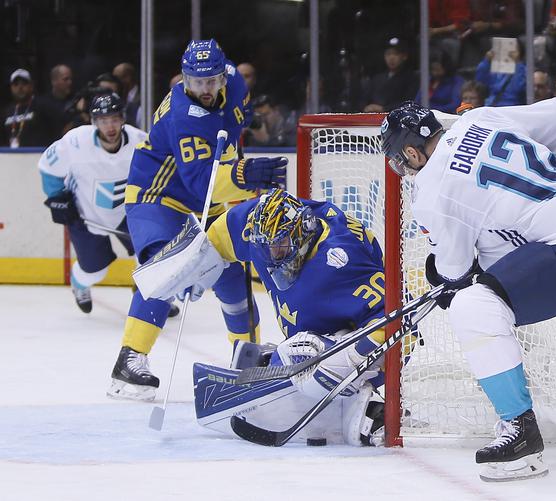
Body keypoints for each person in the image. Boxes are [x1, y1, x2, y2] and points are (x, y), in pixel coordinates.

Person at [381, 99, 556, 481]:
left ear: (412, 151)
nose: (403, 169)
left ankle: (519, 432)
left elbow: (456, 271)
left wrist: (442, 279)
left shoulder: (431, 192)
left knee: (473, 305)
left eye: (400, 161)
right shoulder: (481, 118)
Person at [132, 188, 389, 446]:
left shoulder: (342, 260)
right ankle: (289, 368)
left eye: (279, 246)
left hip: (357, 342)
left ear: (302, 233)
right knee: (289, 355)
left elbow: (399, 323)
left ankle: (362, 400)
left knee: (302, 354)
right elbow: (219, 238)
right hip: (309, 332)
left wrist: (349, 357)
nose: (270, 257)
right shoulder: (259, 229)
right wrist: (197, 266)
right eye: (264, 248)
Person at [106, 39, 287, 402]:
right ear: (184, 78)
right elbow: (200, 182)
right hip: (157, 193)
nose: (205, 89)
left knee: (233, 272)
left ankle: (245, 358)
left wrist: (238, 165)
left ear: (223, 75)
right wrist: (245, 173)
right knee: (168, 267)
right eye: (196, 82)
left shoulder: (235, 85)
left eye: (211, 81)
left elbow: (234, 130)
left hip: (208, 193)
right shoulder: (184, 117)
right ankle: (129, 360)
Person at [37, 94, 146, 312]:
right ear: (94, 122)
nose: (110, 126)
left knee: (150, 256)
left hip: (128, 213)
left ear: (123, 118)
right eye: (104, 121)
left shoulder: (140, 140)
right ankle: (79, 286)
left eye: (114, 119)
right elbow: (48, 169)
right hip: (86, 215)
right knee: (94, 271)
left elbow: (160, 172)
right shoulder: (75, 142)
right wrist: (58, 197)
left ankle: (149, 295)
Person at [1, 69, 60, 147]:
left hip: (37, 155)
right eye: (16, 84)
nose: (20, 87)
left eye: (24, 83)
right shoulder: (6, 112)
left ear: (31, 86)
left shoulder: (43, 106)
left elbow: (58, 130)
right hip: (12, 156)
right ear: (11, 87)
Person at [362, 37, 418, 113]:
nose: (391, 58)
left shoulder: (411, 78)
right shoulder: (377, 78)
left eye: (396, 54)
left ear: (404, 56)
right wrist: (367, 107)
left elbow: (409, 102)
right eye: (388, 54)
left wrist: (384, 108)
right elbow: (364, 99)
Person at [112, 63, 141, 127]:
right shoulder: (118, 96)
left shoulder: (143, 96)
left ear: (128, 78)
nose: (116, 82)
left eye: (117, 78)